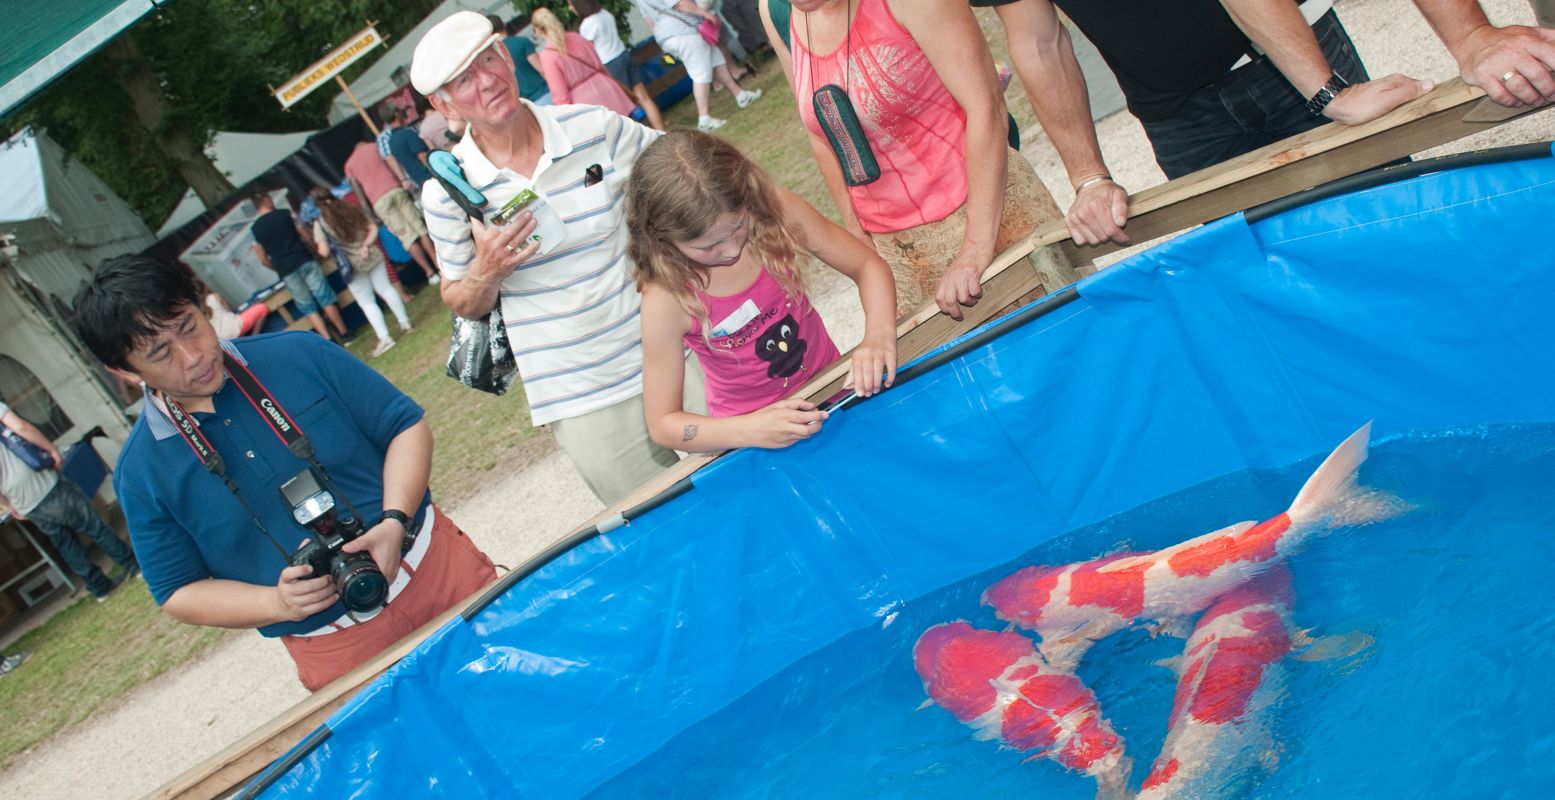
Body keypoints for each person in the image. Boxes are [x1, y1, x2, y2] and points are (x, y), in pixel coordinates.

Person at [72, 256, 497, 691]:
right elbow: (178, 592)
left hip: (439, 572)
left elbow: (404, 427)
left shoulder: (297, 353)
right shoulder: (142, 471)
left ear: (203, 305)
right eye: (160, 353)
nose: (193, 355)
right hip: (338, 649)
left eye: (189, 326)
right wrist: (275, 603)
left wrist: (394, 521)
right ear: (124, 370)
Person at [411, 11, 708, 506]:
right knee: (664, 532)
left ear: (507, 57)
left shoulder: (590, 126)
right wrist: (489, 270)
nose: (487, 82)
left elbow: (683, 171)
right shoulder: (447, 194)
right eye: (464, 80)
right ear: (443, 104)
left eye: (489, 61)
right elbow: (462, 298)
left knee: (751, 475)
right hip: (581, 396)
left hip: (678, 351)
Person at [980, 0, 1555, 247]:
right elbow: (1039, 39)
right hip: (1176, 113)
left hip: (1288, 59)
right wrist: (1088, 177)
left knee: (1393, 222)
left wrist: (1327, 93)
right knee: (1260, 270)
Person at [762, 0, 1061, 320]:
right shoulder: (776, 11)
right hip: (900, 252)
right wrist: (859, 234)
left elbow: (986, 106)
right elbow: (820, 131)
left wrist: (975, 249)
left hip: (986, 213)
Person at [628, 130, 897, 452]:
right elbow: (663, 424)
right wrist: (749, 430)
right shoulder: (666, 299)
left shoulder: (775, 209)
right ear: (662, 238)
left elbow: (867, 266)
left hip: (834, 392)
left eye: (738, 226)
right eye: (708, 246)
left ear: (746, 196)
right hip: (756, 442)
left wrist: (878, 335)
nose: (730, 250)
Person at [0, 404, 138, 602]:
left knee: (67, 545)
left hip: (22, 501)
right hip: (43, 483)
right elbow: (21, 427)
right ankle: (133, 565)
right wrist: (51, 449)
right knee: (93, 525)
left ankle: (100, 587)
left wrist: (9, 505)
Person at [308, 187, 415, 358]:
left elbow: (324, 251)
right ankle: (405, 322)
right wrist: (365, 245)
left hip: (352, 266)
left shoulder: (320, 223)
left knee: (366, 302)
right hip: (371, 254)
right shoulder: (348, 207)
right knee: (386, 289)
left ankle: (384, 337)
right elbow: (372, 228)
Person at [636, 0, 763, 130]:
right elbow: (680, 3)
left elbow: (650, 21)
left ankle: (741, 95)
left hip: (667, 36)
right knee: (700, 74)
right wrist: (706, 14)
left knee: (717, 61)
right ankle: (704, 120)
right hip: (682, 32)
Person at [249, 192, 348, 341]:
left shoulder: (255, 230)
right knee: (324, 296)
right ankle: (345, 333)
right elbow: (305, 235)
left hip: (286, 270)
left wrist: (277, 267)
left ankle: (329, 340)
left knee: (307, 307)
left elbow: (262, 259)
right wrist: (315, 251)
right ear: (266, 199)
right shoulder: (285, 214)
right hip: (304, 259)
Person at [343, 138, 442, 286]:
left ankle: (430, 272)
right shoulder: (374, 146)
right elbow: (390, 162)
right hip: (394, 189)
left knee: (407, 238)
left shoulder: (349, 165)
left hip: (379, 201)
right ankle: (439, 264)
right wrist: (402, 180)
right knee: (420, 229)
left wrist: (369, 213)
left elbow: (358, 190)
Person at [572, 0, 667, 130]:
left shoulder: (587, 25)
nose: (570, 8)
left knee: (624, 107)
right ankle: (661, 131)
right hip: (624, 55)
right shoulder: (605, 13)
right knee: (644, 98)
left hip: (611, 64)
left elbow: (587, 51)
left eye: (571, 4)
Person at [531, 7, 638, 119]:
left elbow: (561, 95)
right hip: (608, 89)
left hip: (586, 104)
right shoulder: (576, 37)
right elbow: (598, 64)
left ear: (538, 30)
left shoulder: (548, 56)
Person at [379, 104, 434, 190]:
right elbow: (422, 155)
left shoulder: (391, 141)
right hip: (430, 176)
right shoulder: (408, 133)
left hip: (419, 182)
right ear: (396, 114)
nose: (403, 113)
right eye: (400, 111)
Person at [502, 15, 554, 105]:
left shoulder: (493, 59)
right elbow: (541, 68)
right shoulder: (521, 41)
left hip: (527, 105)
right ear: (504, 25)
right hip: (544, 93)